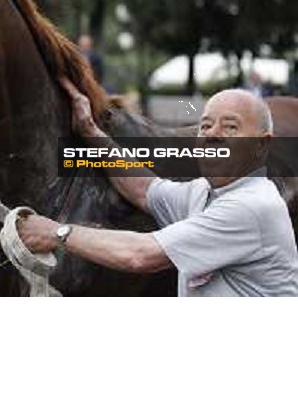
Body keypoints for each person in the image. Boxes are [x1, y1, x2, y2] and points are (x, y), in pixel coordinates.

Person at [19, 79, 298, 297]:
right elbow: (143, 189)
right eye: (206, 125)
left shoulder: (251, 207)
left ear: (262, 145)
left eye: (230, 127)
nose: (212, 134)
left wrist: (55, 232)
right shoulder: (204, 191)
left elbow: (139, 255)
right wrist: (93, 134)